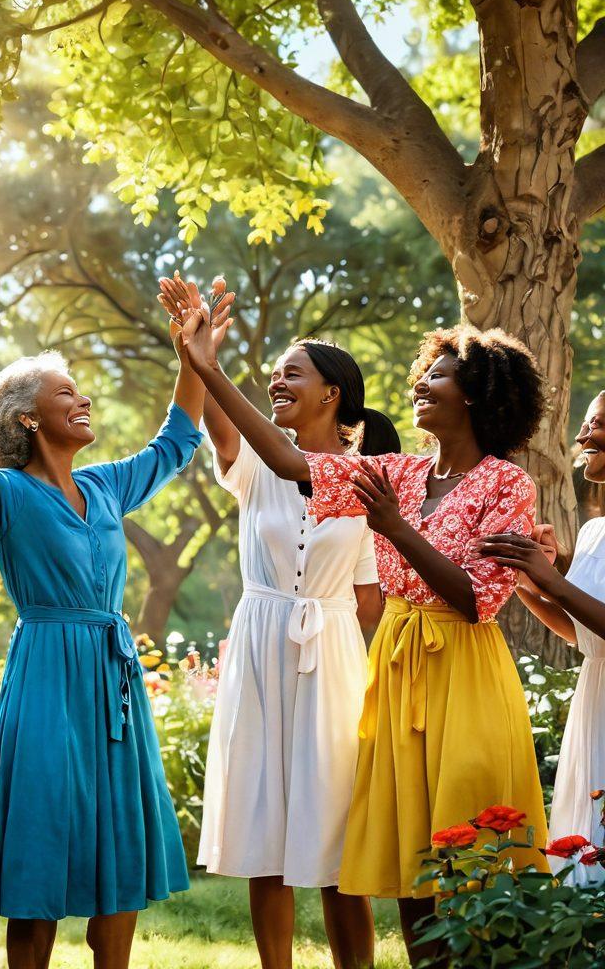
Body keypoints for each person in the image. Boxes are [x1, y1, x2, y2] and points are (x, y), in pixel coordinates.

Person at [175, 300, 548, 967]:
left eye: (435, 377)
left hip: (463, 670)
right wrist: (206, 367)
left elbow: (479, 601)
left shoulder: (508, 484)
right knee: (407, 850)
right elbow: (291, 466)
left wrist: (398, 530)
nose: (418, 384)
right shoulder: (399, 473)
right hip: (398, 669)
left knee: (465, 843)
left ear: (476, 394)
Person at [0, 272, 232, 969]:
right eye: (66, 392)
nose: (83, 397)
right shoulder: (2, 494)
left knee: (118, 845)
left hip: (111, 678)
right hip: (44, 676)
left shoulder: (103, 487)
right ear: (27, 418)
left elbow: (178, 442)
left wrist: (193, 358)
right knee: (40, 847)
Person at [160, 278, 397, 969]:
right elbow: (224, 426)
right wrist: (194, 353)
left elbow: (371, 599)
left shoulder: (368, 477)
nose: (277, 381)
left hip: (334, 659)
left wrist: (358, 674)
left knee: (334, 838)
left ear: (332, 393)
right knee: (266, 834)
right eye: (273, 375)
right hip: (260, 648)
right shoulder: (255, 466)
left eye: (292, 373)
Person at [481, 390, 605, 886]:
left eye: (596, 423)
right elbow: (583, 635)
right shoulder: (596, 531)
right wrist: (528, 582)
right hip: (594, 699)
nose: (581, 433)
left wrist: (551, 578)